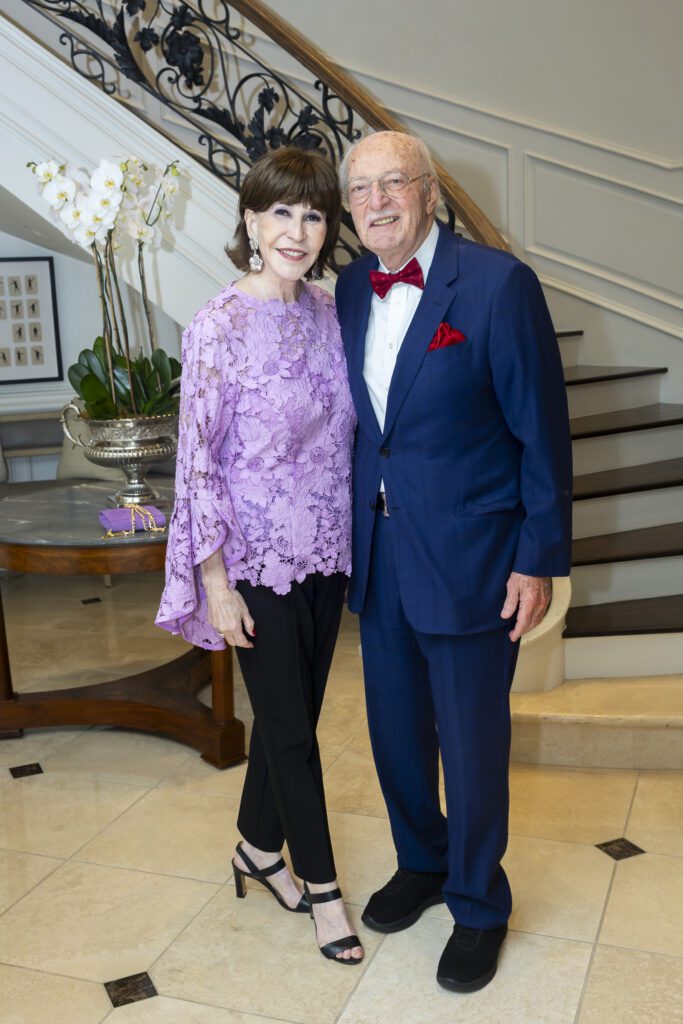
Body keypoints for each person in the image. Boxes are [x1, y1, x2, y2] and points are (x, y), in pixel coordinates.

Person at [335, 131, 572, 992]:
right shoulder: (350, 286)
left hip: (475, 556)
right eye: (360, 190)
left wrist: (535, 558)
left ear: (429, 191)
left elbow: (540, 434)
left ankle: (478, 902)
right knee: (396, 733)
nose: (377, 202)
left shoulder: (500, 286)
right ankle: (422, 861)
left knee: (471, 746)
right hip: (381, 551)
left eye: (393, 182)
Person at [157, 147, 363, 965]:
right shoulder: (217, 324)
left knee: (292, 723)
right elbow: (196, 460)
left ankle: (254, 846)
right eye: (281, 212)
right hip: (253, 561)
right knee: (294, 736)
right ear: (249, 220)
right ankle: (321, 891)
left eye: (313, 214)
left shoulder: (324, 309)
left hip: (325, 549)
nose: (298, 230)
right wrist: (215, 582)